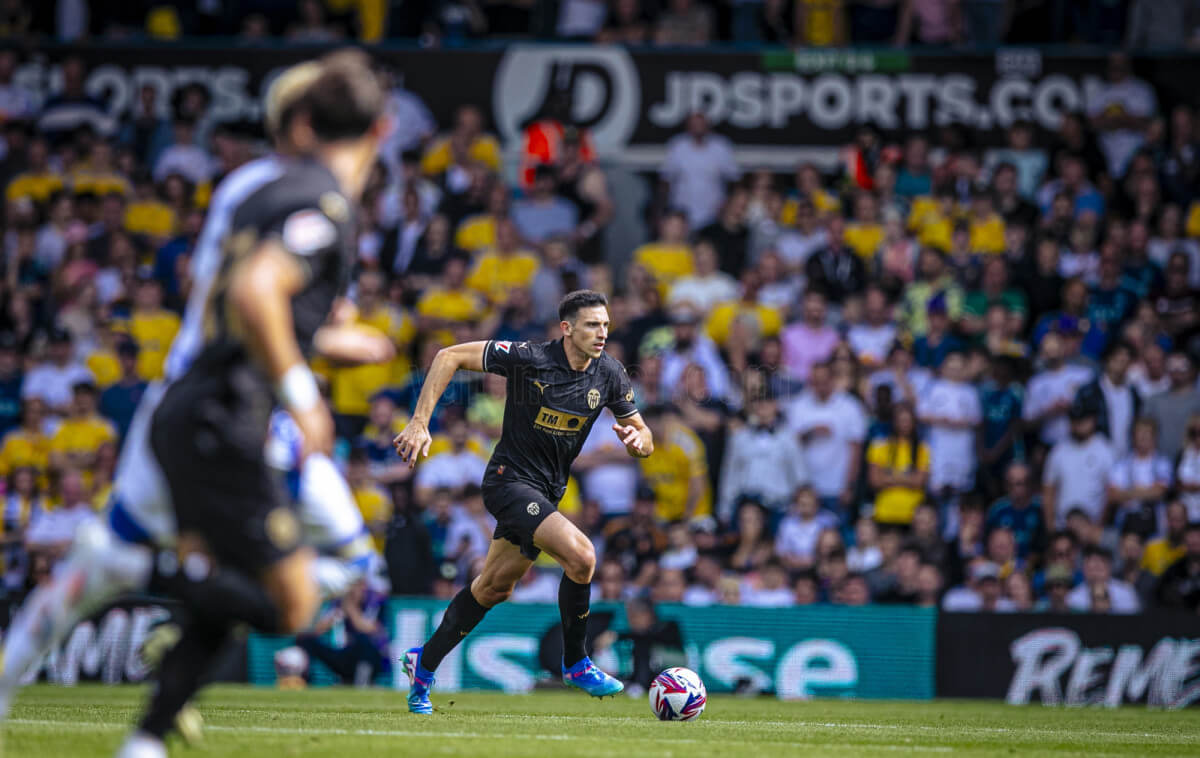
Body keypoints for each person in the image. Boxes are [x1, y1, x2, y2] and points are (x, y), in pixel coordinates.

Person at [108, 51, 387, 758]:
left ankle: (146, 737)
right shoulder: (312, 198)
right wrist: (304, 390)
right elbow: (254, 294)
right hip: (234, 409)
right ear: (379, 131)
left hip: (222, 403)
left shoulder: (256, 191)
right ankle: (138, 574)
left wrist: (327, 334)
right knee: (302, 591)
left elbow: (252, 294)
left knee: (268, 583)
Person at [392, 289, 654, 715]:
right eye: (592, 324)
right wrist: (421, 423)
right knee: (583, 557)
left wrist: (638, 439)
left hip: (548, 491)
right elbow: (447, 356)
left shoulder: (610, 373)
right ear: (567, 329)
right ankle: (576, 663)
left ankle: (423, 664)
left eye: (605, 324)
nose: (602, 332)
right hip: (508, 480)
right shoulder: (529, 356)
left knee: (493, 588)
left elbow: (643, 437)